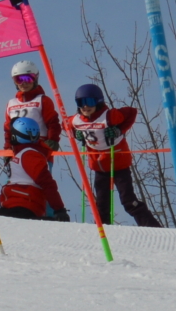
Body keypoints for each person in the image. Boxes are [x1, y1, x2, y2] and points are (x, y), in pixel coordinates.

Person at [69, 82, 161, 228]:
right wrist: (76, 133)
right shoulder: (76, 120)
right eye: (81, 103)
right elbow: (65, 125)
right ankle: (104, 230)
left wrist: (119, 129)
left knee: (128, 200)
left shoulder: (109, 116)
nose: (85, 106)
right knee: (101, 203)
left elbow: (131, 112)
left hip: (118, 164)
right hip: (99, 167)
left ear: (98, 101)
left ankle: (152, 227)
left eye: (89, 102)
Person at [0, 115, 70, 221]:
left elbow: (47, 183)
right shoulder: (20, 153)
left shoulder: (29, 155)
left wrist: (59, 209)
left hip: (23, 205)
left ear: (15, 136)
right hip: (13, 204)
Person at [4, 60, 65, 162]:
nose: (24, 83)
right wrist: (8, 149)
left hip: (39, 147)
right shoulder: (11, 104)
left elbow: (53, 122)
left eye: (28, 78)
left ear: (35, 78)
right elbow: (8, 129)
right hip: (18, 150)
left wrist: (52, 140)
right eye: (19, 79)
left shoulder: (42, 100)